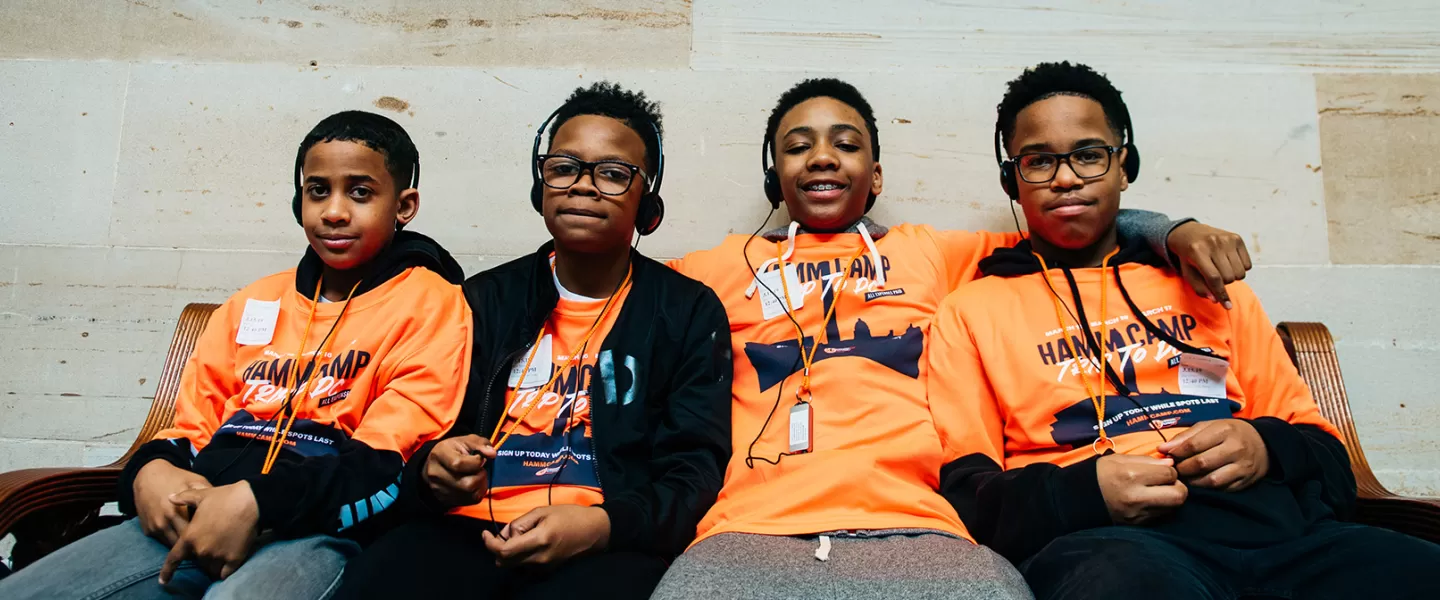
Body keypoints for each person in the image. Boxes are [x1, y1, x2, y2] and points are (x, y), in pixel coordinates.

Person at [651, 78, 1253, 598]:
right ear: (773, 177)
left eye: (846, 144)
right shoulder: (718, 267)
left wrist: (1173, 230)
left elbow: (1066, 218)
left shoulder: (931, 253)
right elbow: (608, 269)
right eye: (797, 147)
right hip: (750, 522)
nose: (822, 158)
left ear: (877, 174)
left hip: (924, 521)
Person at [926, 61, 1440, 600]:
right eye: (1039, 161)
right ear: (1013, 180)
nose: (1066, 177)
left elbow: (1328, 459)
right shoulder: (972, 309)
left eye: (1088, 155)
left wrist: (1264, 445)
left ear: (1125, 167)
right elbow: (966, 495)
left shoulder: (1209, 284)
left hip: (1285, 534)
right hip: (1108, 546)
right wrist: (1084, 492)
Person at [0, 110, 471, 599]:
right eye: (317, 190)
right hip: (195, 509)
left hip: (317, 529)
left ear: (404, 205)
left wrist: (256, 504)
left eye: (359, 192)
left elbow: (388, 459)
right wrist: (151, 470)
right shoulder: (255, 300)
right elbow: (191, 426)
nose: (333, 211)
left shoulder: (433, 302)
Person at [334, 82, 732, 600]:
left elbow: (693, 471)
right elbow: (411, 434)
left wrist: (603, 526)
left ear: (647, 201)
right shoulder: (480, 300)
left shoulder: (686, 310)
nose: (583, 186)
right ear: (539, 185)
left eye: (613, 174)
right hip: (464, 530)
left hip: (606, 541)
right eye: (564, 167)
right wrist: (432, 469)